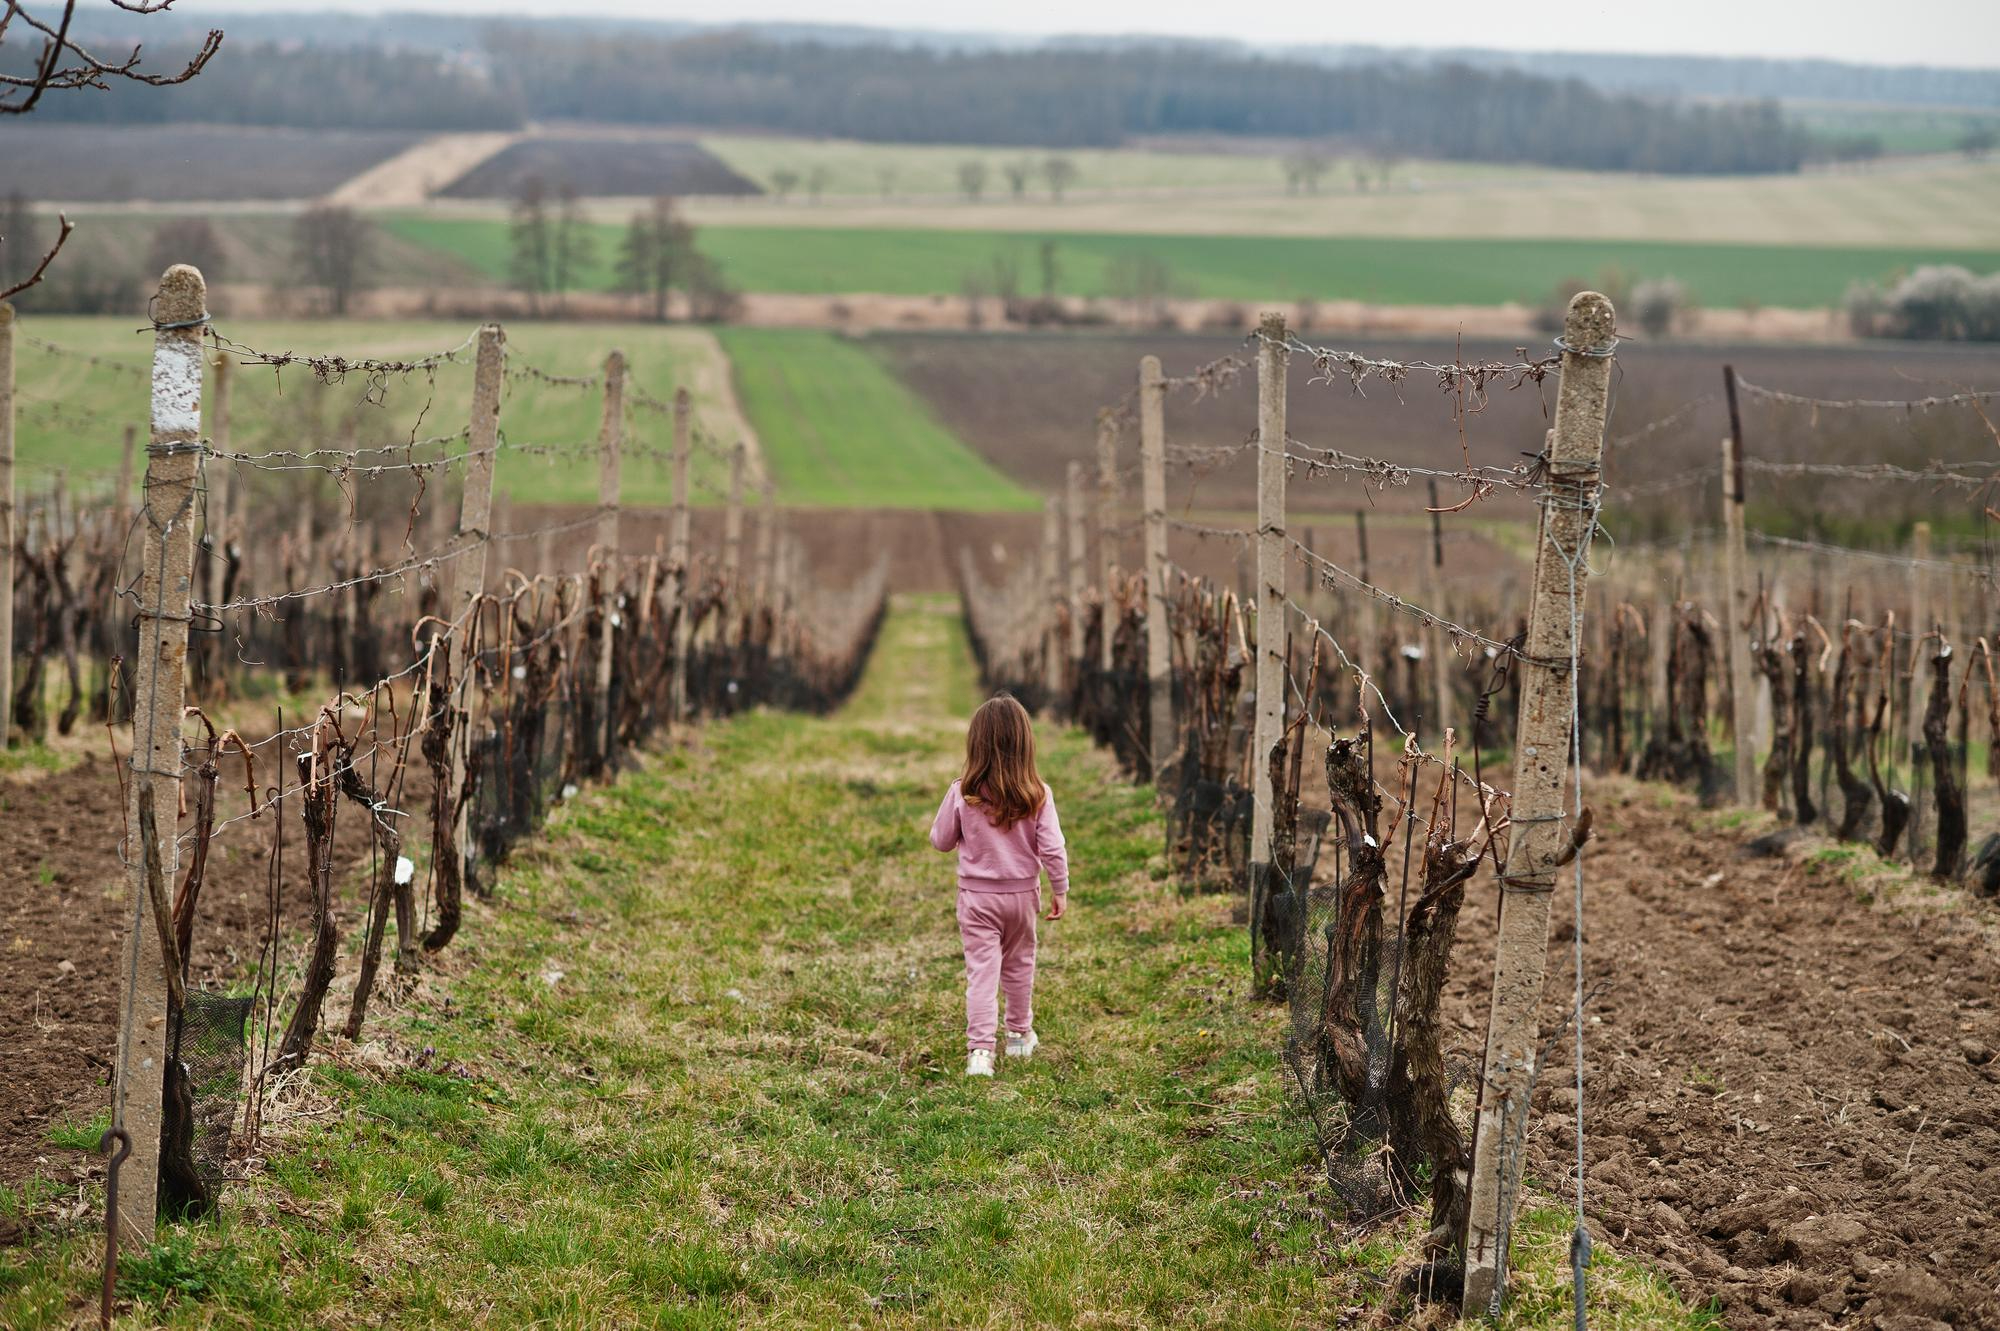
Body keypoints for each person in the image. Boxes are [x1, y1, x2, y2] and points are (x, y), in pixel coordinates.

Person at [929, 694, 1068, 1078]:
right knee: (1020, 965)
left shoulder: (963, 792)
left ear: (976, 745)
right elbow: (1053, 847)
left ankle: (980, 1052)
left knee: (982, 972)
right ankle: (1020, 1035)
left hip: (976, 898)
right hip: (1023, 896)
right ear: (1025, 744)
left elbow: (940, 840)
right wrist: (1060, 888)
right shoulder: (1037, 794)